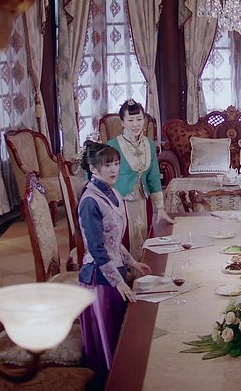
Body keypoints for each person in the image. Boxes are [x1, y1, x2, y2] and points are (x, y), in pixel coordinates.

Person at [77, 140, 151, 387]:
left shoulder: (114, 193)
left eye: (116, 163)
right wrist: (119, 282)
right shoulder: (90, 201)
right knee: (109, 341)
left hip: (115, 272)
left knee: (122, 333)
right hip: (99, 279)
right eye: (107, 164)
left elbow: (113, 239)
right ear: (93, 168)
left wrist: (132, 263)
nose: (114, 169)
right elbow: (98, 250)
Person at [106, 99, 173, 261]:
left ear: (144, 120)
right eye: (130, 120)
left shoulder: (149, 144)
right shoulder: (111, 146)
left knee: (144, 237)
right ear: (122, 122)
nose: (135, 124)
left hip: (144, 201)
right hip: (120, 204)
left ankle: (143, 272)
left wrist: (160, 207)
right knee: (124, 240)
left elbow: (153, 176)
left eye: (139, 119)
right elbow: (101, 178)